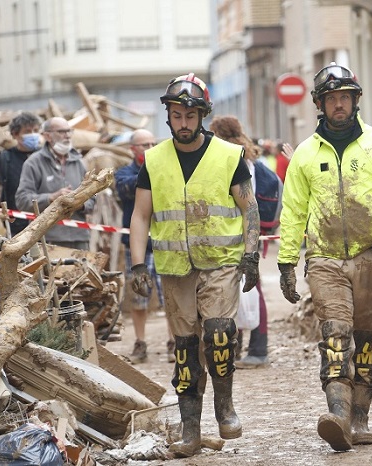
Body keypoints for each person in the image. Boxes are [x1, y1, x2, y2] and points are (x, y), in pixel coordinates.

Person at [277, 62, 372, 452]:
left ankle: (360, 417)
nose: (338, 105)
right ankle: (337, 417)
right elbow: (292, 211)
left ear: (355, 100)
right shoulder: (306, 155)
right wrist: (287, 261)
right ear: (320, 105)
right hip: (324, 259)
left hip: (371, 256)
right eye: (331, 99)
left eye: (344, 97)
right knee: (335, 336)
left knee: (368, 339)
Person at [129, 73, 260, 458]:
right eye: (176, 115)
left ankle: (225, 407)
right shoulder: (153, 160)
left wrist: (251, 254)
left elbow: (248, 208)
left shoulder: (228, 156)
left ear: (202, 115)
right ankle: (190, 427)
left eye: (190, 115)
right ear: (167, 116)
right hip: (174, 268)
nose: (183, 123)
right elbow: (140, 216)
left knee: (219, 335)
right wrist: (138, 266)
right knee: (185, 350)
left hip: (220, 262)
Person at [209, 115, 270, 369]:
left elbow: (245, 201)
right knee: (242, 289)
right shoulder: (249, 155)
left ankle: (257, 348)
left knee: (250, 289)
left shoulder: (235, 157)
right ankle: (241, 345)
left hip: (243, 232)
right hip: (247, 231)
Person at [115, 129, 175, 364]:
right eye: (144, 144)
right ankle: (140, 343)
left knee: (170, 293)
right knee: (139, 295)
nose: (149, 148)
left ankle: (174, 342)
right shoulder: (125, 173)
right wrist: (151, 172)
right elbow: (125, 188)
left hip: (165, 240)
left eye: (153, 143)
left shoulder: (165, 168)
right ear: (133, 149)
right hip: (138, 244)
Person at [15, 117, 95, 250]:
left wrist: (80, 204)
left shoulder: (79, 162)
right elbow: (22, 200)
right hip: (47, 239)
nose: (67, 136)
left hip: (79, 237)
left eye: (69, 131)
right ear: (47, 136)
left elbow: (92, 197)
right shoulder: (34, 163)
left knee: (81, 271)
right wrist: (51, 198)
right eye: (62, 132)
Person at [0, 111, 42, 237]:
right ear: (15, 134)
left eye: (36, 130)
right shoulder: (5, 158)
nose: (33, 135)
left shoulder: (45, 156)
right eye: (28, 131)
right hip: (17, 228)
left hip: (47, 227)